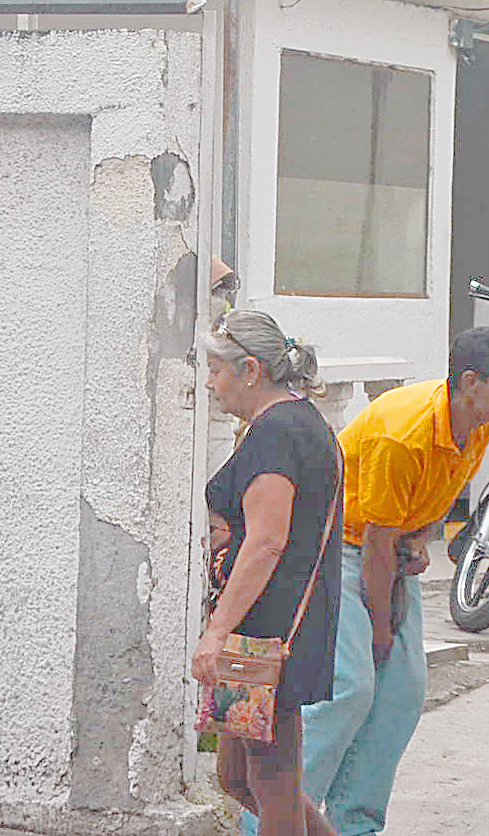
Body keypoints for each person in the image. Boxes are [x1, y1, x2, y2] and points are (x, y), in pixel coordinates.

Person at [259, 327, 489, 836]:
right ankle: (278, 821)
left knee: (403, 690)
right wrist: (379, 628)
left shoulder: (484, 421)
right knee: (349, 686)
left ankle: (355, 823)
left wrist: (418, 539)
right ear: (471, 382)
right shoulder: (402, 432)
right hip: (334, 546)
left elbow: (430, 496)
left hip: (386, 548)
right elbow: (375, 545)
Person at [196, 311, 345, 836]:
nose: (211, 383)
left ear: (251, 369)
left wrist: (215, 633)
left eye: (216, 370)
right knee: (237, 775)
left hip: (268, 632)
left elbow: (266, 541)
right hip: (270, 625)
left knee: (271, 778)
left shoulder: (277, 432)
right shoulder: (296, 422)